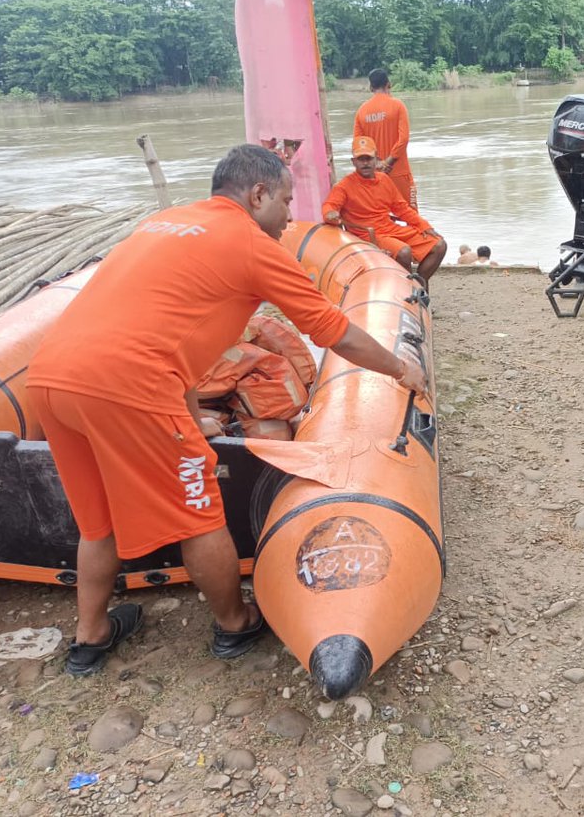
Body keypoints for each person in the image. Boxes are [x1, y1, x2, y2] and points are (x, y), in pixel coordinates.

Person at [28, 145, 427, 677]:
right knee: (199, 515)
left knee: (96, 524)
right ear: (256, 194)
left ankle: (91, 636)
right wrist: (402, 370)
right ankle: (235, 624)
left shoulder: (165, 223)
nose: (289, 216)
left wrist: (191, 416)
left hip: (52, 379)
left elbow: (169, 340)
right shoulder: (252, 245)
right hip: (130, 386)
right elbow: (335, 333)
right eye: (285, 201)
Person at [322, 137, 448, 286]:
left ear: (376, 159)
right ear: (353, 161)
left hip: (390, 228)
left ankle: (418, 284)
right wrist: (331, 214)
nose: (365, 163)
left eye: (368, 158)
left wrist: (425, 226)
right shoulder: (343, 186)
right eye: (361, 159)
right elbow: (329, 207)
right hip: (368, 234)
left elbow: (402, 209)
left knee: (439, 245)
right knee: (404, 252)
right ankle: (408, 290)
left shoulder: (384, 179)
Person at [354, 68, 418, 208]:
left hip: (374, 173)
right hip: (399, 173)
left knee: (380, 216)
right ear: (389, 84)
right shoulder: (398, 106)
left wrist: (377, 162)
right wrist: (388, 162)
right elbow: (403, 139)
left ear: (371, 87)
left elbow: (358, 145)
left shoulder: (361, 111)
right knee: (413, 216)